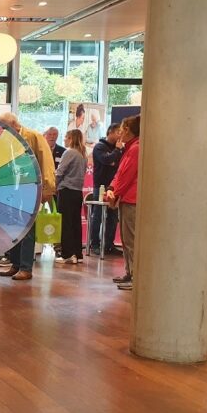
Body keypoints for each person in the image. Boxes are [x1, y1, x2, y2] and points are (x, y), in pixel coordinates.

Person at [0, 112, 57, 281]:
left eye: (5, 127)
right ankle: (15, 264)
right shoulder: (8, 139)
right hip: (14, 190)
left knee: (27, 229)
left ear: (14, 124)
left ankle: (25, 267)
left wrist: (47, 189)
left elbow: (46, 162)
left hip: (32, 189)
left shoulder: (34, 136)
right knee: (14, 228)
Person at [105, 115, 141, 290]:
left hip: (131, 199)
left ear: (128, 130)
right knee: (127, 239)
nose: (119, 133)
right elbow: (121, 173)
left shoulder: (136, 148)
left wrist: (114, 193)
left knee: (131, 239)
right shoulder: (131, 147)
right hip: (127, 198)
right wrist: (113, 189)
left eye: (122, 129)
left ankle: (135, 276)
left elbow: (126, 175)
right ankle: (130, 272)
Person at [54, 130, 87, 264]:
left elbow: (60, 172)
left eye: (66, 137)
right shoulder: (82, 155)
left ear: (71, 139)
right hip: (77, 192)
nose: (64, 140)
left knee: (65, 223)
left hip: (66, 190)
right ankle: (77, 253)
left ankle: (67, 253)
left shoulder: (69, 152)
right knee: (75, 222)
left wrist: (53, 185)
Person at [89, 123, 123, 254]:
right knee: (98, 215)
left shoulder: (118, 149)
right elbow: (106, 160)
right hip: (101, 187)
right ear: (110, 132)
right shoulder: (99, 147)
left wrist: (115, 154)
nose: (120, 135)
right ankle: (95, 244)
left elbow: (117, 163)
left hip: (114, 187)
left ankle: (109, 244)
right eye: (117, 132)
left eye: (121, 132)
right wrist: (116, 152)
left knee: (113, 216)